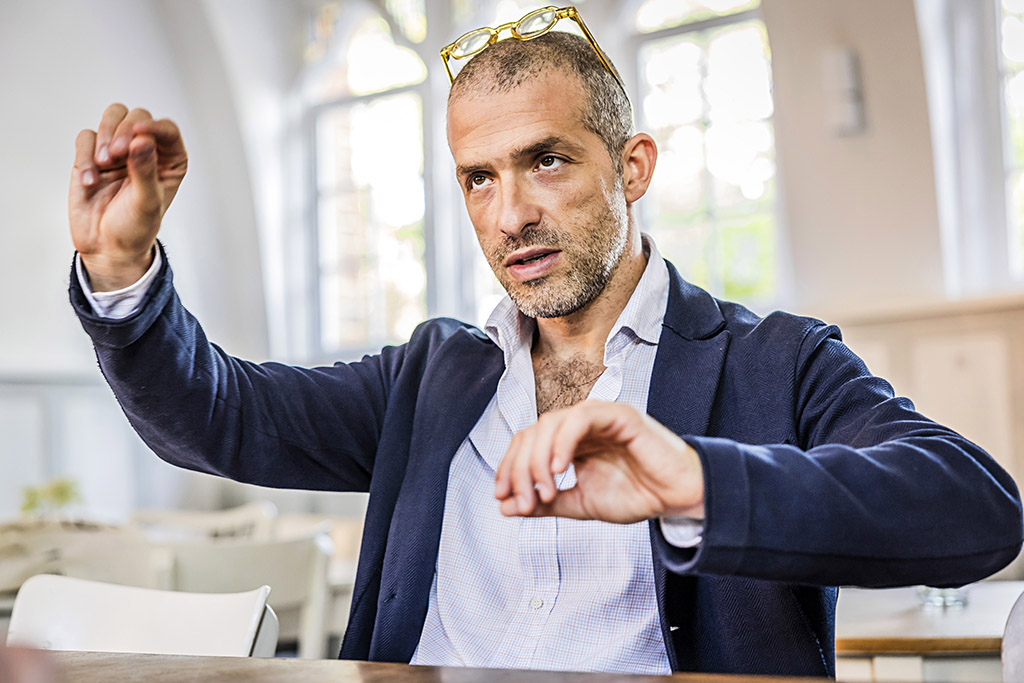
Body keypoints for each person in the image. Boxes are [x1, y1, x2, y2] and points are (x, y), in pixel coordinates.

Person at [67, 10, 1022, 679]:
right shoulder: (430, 376)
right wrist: (124, 268)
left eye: (547, 160)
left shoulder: (776, 360)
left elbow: (976, 509)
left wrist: (698, 481)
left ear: (633, 167)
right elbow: (218, 417)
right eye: (478, 177)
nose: (510, 212)